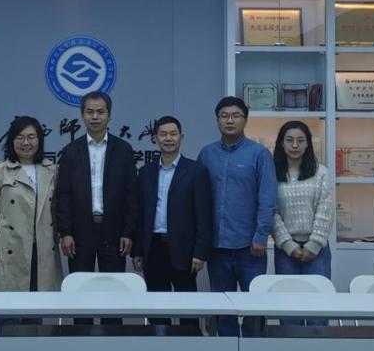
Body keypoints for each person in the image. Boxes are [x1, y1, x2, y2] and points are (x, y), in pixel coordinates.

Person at [55, 90, 139, 325]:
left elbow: (132, 195)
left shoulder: (123, 150)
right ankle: (82, 339)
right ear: (82, 115)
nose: (95, 117)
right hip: (80, 232)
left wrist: (128, 232)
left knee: (113, 295)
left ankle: (112, 339)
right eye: (90, 112)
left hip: (114, 232)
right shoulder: (71, 152)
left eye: (100, 112)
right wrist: (65, 232)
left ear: (109, 116)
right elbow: (63, 195)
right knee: (80, 293)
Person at [197, 96, 276, 337]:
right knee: (223, 306)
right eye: (224, 116)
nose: (229, 121)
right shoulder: (207, 154)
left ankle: (254, 346)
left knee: (254, 307)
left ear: (245, 120)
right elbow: (198, 200)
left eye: (235, 116)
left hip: (250, 247)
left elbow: (268, 198)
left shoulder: (259, 154)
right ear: (217, 120)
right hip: (217, 246)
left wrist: (261, 235)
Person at [0, 116, 63, 332]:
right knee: (7, 310)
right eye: (20, 137)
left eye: (31, 137)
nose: (26, 143)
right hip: (9, 250)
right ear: (11, 141)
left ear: (39, 140)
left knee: (35, 310)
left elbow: (60, 209)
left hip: (41, 251)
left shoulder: (51, 170)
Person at [132, 116, 212, 328]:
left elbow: (203, 214)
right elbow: (141, 214)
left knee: (187, 308)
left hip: (184, 250)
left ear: (181, 137)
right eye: (163, 134)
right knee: (157, 307)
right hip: (153, 248)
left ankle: (189, 341)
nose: (168, 138)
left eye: (173, 134)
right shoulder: (146, 172)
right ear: (155, 138)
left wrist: (200, 252)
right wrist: (138, 250)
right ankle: (160, 342)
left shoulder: (196, 171)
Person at [272, 120, 334, 326]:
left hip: (317, 250)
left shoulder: (321, 172)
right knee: (289, 310)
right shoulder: (272, 174)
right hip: (285, 251)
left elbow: (325, 210)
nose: (295, 145)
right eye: (289, 140)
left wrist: (313, 245)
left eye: (300, 140)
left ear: (308, 144)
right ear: (281, 143)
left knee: (318, 310)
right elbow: (271, 212)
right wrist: (289, 245)